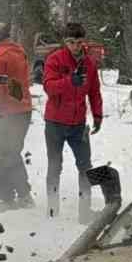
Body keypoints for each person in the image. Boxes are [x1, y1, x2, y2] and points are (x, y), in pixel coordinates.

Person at [41, 22, 104, 223]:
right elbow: (49, 88)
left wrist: (98, 115)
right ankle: (52, 208)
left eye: (78, 42)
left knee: (85, 166)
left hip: (78, 124)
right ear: (65, 42)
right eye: (70, 42)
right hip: (55, 123)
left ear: (83, 42)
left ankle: (85, 210)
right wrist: (70, 81)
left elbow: (94, 91)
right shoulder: (55, 59)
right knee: (54, 165)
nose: (75, 46)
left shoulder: (89, 63)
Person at [0, 22, 35, 211]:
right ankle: (24, 195)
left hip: (6, 114)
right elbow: (17, 82)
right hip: (24, 110)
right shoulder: (19, 52)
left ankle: (7, 198)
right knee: (12, 154)